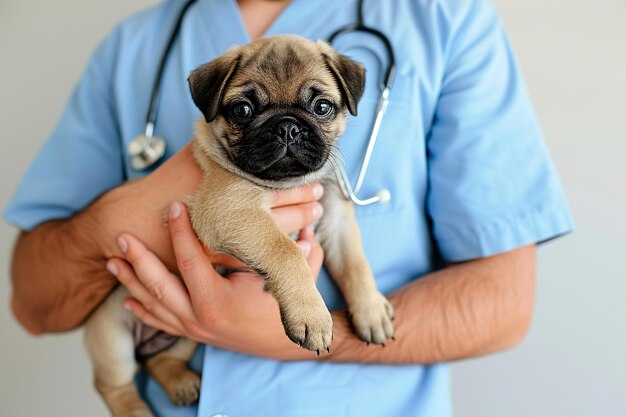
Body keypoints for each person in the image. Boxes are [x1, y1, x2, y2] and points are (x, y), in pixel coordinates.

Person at [5, 0, 573, 416]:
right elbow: (31, 304)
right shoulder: (131, 46)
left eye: (319, 108)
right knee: (114, 328)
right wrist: (121, 218)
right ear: (211, 102)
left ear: (350, 97)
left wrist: (344, 314)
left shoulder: (447, 19)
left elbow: (505, 305)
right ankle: (132, 384)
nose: (284, 132)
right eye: (248, 111)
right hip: (149, 336)